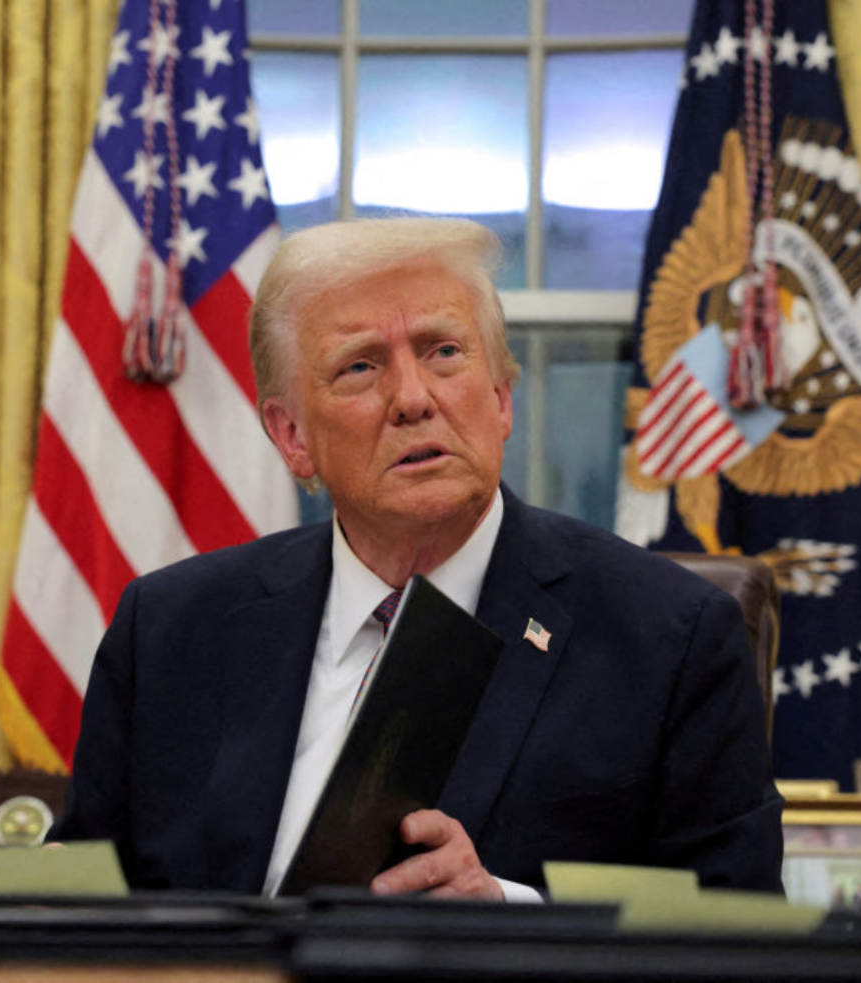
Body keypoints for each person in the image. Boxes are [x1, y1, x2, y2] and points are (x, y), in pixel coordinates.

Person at [52, 217, 784, 899]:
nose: (411, 398)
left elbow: (725, 918)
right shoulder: (172, 630)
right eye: (360, 367)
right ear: (291, 436)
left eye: (442, 351)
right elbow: (84, 895)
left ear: (501, 398)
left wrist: (508, 913)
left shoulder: (669, 636)